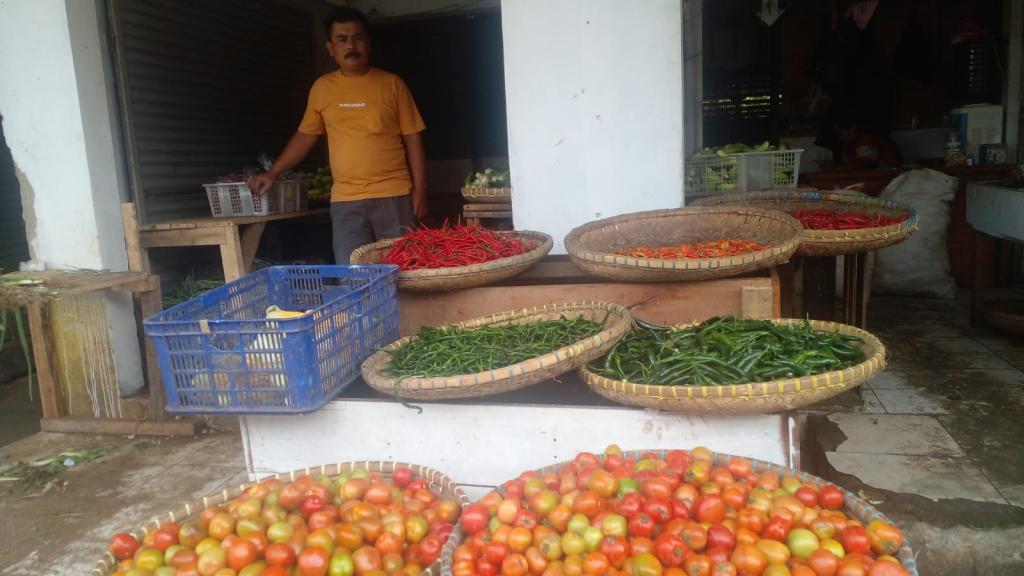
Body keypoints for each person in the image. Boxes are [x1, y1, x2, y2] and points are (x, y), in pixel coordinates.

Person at [249, 7, 427, 264]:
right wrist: (273, 172)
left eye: (357, 38)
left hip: (393, 194)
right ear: (330, 48)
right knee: (352, 272)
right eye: (342, 39)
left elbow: (413, 138)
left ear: (368, 43)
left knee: (404, 270)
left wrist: (420, 190)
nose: (351, 45)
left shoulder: (392, 85)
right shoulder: (322, 89)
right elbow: (305, 136)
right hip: (346, 201)